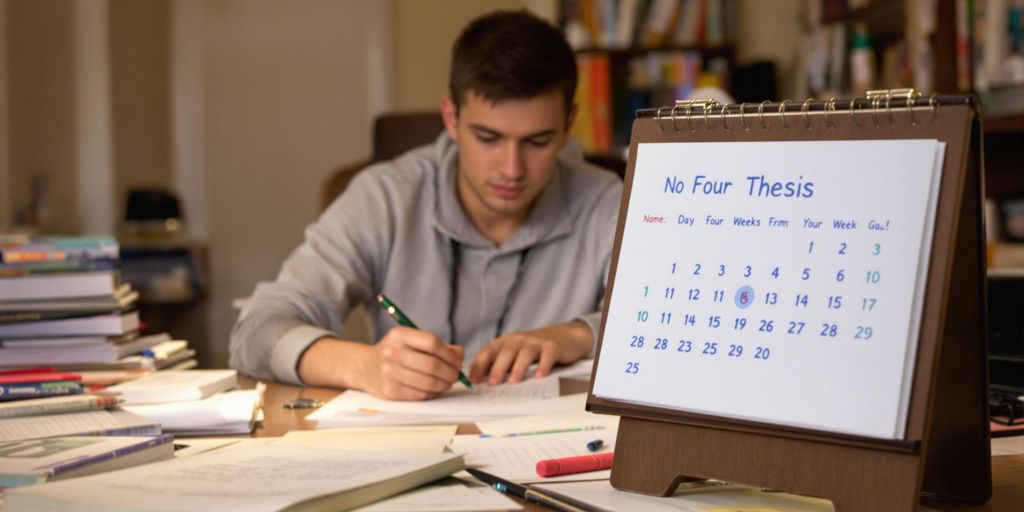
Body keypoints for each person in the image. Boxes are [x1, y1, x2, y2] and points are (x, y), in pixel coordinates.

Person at [229, 10, 623, 400]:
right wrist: (361, 365)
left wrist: (577, 333)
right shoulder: (383, 197)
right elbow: (256, 330)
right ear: (451, 118)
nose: (511, 169)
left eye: (537, 141)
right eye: (488, 138)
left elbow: (667, 330)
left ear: (569, 124)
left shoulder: (610, 201)